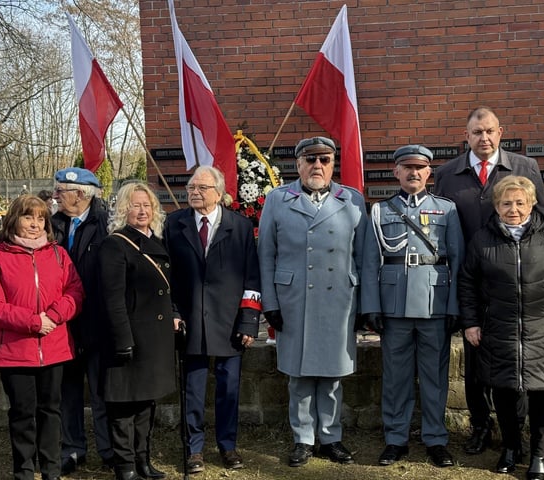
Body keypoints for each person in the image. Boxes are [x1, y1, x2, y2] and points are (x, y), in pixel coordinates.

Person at [433, 106, 544, 456]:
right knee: (475, 362)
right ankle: (481, 425)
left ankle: (514, 433)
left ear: (501, 133)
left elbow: (543, 219)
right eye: (476, 133)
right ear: (465, 136)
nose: (483, 138)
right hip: (471, 282)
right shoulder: (447, 174)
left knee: (516, 361)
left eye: (489, 131)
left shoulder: (525, 167)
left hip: (514, 282)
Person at [458, 176, 544, 480]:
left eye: (520, 202)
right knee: (503, 390)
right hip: (498, 328)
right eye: (506, 203)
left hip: (541, 328)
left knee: (540, 393)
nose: (513, 209)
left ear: (531, 204)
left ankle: (539, 454)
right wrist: (470, 322)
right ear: (496, 206)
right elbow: (468, 283)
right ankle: (511, 447)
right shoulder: (482, 239)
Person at [257, 136, 368, 467]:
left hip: (339, 299)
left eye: (324, 160)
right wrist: (270, 303)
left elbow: (364, 257)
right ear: (298, 164)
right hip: (294, 300)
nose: (317, 166)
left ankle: (331, 437)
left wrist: (365, 306)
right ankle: (304, 438)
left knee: (332, 376)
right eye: (310, 159)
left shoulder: (352, 200)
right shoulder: (278, 199)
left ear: (333, 164)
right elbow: (266, 255)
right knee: (299, 375)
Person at [360, 145, 464, 468]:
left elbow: (457, 261)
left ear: (429, 173)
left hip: (435, 304)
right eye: (407, 167)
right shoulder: (380, 211)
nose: (414, 173)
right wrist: (371, 306)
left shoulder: (447, 210)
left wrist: (454, 306)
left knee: (435, 375)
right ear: (396, 172)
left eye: (420, 168)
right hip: (394, 307)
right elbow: (369, 262)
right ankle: (395, 439)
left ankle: (435, 439)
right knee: (395, 377)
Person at [0, 195, 84, 480]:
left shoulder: (59, 255)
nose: (35, 224)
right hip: (15, 350)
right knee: (23, 413)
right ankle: (23, 471)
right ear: (15, 219)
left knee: (51, 410)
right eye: (28, 217)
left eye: (40, 219)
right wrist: (33, 322)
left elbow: (74, 292)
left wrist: (53, 317)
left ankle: (50, 470)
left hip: (54, 347)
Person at [164, 165, 261, 473]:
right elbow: (165, 276)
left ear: (219, 193)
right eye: (191, 187)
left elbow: (252, 277)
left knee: (229, 389)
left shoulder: (240, 226)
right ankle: (193, 449)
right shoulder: (174, 223)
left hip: (229, 322)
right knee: (192, 390)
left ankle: (228, 446)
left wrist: (248, 321)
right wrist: (174, 313)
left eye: (201, 188)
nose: (194, 192)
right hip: (190, 321)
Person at [99, 182, 180, 480]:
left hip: (155, 338)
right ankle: (125, 466)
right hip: (128, 337)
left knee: (146, 402)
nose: (143, 210)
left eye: (147, 205)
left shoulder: (155, 240)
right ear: (123, 209)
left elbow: (164, 289)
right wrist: (123, 340)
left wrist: (173, 315)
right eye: (135, 205)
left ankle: (143, 459)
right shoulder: (115, 244)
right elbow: (112, 298)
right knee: (123, 405)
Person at [50, 167, 115, 474]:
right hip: (64, 323)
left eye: (61, 191)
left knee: (102, 391)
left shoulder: (106, 224)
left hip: (97, 322)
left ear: (81, 194)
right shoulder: (53, 225)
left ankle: (108, 449)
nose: (56, 196)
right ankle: (73, 448)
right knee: (69, 390)